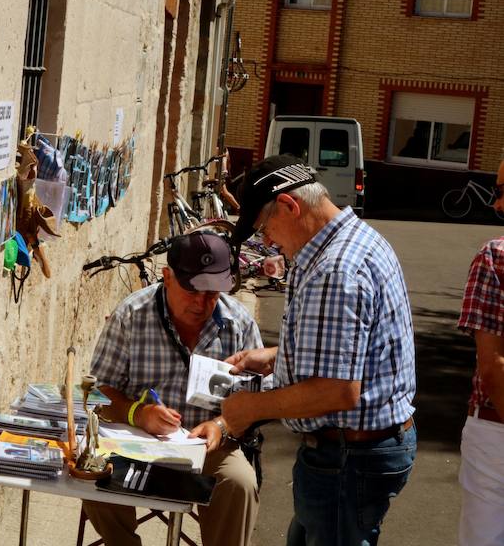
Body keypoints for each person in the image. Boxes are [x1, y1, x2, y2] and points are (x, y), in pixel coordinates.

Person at [216, 154, 417, 546]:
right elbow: (358, 345)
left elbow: (338, 390)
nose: (268, 241)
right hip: (355, 451)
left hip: (348, 458)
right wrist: (278, 355)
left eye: (266, 228)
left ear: (290, 206)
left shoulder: (335, 269)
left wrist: (250, 409)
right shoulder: (350, 239)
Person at [83, 232, 263, 546]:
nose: (201, 302)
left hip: (209, 447)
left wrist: (222, 424)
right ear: (167, 277)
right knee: (94, 469)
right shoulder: (131, 315)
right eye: (192, 289)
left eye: (213, 293)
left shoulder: (240, 323)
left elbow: (259, 399)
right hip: (136, 441)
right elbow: (99, 393)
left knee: (240, 483)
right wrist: (137, 413)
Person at [457, 160, 504, 546]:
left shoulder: (495, 256)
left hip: (496, 429)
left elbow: (494, 368)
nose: (497, 204)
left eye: (503, 191)